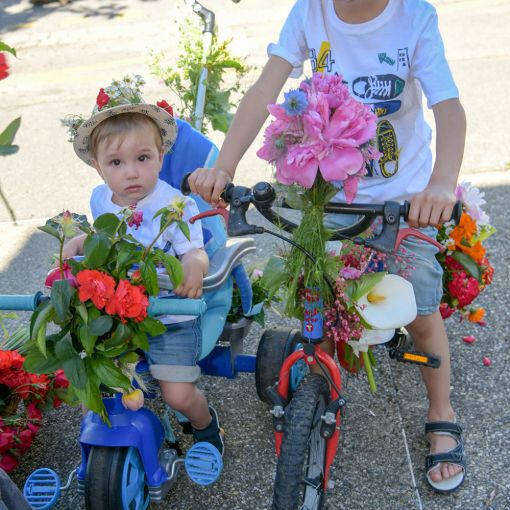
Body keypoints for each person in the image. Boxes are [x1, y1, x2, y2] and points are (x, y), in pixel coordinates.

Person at [189, 0, 466, 493]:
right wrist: (224, 167)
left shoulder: (413, 17)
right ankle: (320, 375)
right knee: (314, 294)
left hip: (401, 200)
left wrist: (442, 185)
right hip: (324, 195)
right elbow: (263, 93)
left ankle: (441, 411)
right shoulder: (309, 12)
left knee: (419, 310)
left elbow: (447, 107)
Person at [63, 75, 224, 456]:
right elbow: (107, 239)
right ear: (99, 168)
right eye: (116, 163)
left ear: (160, 158)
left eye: (142, 159)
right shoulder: (102, 199)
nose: (131, 173)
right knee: (96, 381)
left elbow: (194, 249)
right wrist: (82, 240)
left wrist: (193, 266)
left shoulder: (174, 204)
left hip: (170, 316)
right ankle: (109, 447)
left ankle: (205, 426)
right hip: (120, 316)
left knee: (178, 393)